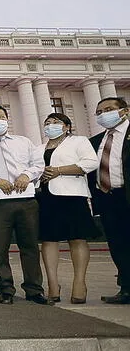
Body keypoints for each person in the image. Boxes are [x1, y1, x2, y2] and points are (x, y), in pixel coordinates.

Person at [0, 106, 49, 305]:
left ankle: (34, 289)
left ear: (7, 119)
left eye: (1, 117)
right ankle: (6, 289)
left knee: (29, 247)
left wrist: (26, 175)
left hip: (26, 200)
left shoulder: (24, 142)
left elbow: (38, 164)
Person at [38, 113, 99, 304]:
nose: (50, 126)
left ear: (66, 126)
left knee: (77, 238)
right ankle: (53, 285)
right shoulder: (39, 147)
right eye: (47, 123)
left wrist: (59, 171)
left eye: (55, 122)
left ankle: (79, 283)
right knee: (49, 240)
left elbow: (90, 163)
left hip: (73, 195)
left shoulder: (78, 142)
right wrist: (40, 175)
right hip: (47, 196)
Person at [89, 97, 130, 304]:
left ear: (125, 111)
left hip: (126, 194)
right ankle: (126, 288)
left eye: (109, 109)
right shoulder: (96, 140)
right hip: (108, 198)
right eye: (99, 111)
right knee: (118, 244)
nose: (104, 114)